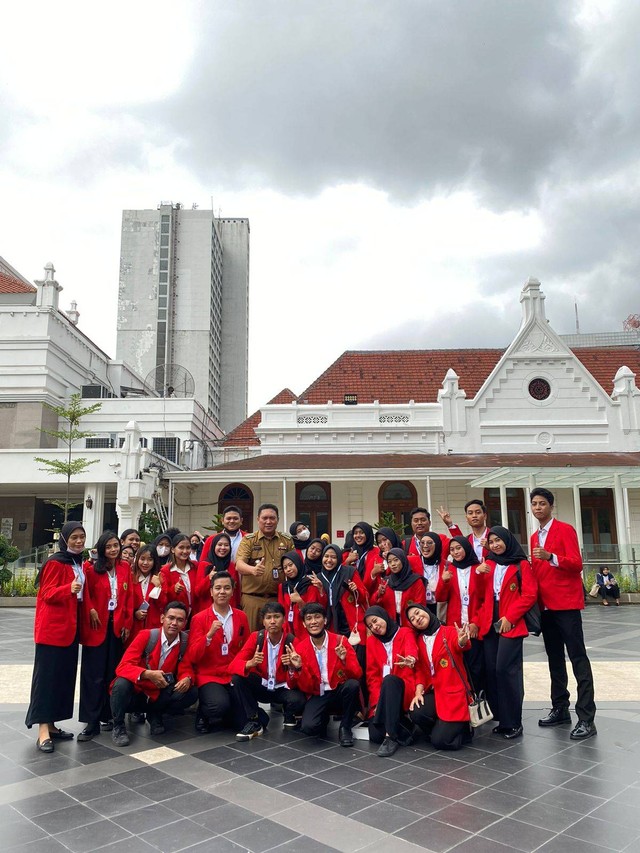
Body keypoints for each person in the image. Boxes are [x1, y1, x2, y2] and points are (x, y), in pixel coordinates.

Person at [530, 487, 597, 740]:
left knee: (578, 658)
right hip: (546, 607)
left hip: (566, 605)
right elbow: (538, 572)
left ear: (550, 506)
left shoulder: (565, 529)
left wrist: (551, 556)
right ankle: (560, 707)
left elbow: (576, 563)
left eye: (542, 503)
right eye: (534, 504)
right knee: (554, 659)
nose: (538, 507)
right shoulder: (535, 536)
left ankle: (587, 718)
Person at [25, 521, 87, 753]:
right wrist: (67, 589)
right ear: (64, 538)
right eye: (74, 537)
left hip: (70, 631)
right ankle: (42, 731)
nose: (79, 541)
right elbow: (47, 593)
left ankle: (52, 725)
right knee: (47, 681)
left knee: (62, 679)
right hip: (52, 632)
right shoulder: (55, 562)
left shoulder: (76, 562)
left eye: (82, 536)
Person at [110, 602, 197, 745]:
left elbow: (185, 667)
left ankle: (155, 713)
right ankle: (118, 725)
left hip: (160, 689)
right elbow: (122, 667)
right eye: (171, 618)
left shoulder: (184, 641)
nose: (174, 623)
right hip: (138, 688)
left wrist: (187, 678)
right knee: (120, 684)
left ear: (185, 623)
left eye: (180, 620)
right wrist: (147, 674)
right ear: (162, 618)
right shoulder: (146, 636)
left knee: (191, 691)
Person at [479, 527, 537, 739]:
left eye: (498, 540)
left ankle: (514, 722)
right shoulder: (490, 563)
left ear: (508, 541)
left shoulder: (521, 564)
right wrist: (478, 573)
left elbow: (530, 595)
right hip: (489, 621)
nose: (495, 545)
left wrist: (511, 618)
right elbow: (480, 593)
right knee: (493, 671)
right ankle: (503, 720)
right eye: (491, 541)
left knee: (506, 670)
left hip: (510, 621)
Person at [78, 531, 133, 741]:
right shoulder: (91, 569)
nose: (113, 550)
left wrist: (127, 621)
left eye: (116, 546)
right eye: (109, 546)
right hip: (97, 626)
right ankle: (91, 721)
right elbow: (86, 595)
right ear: (102, 549)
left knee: (112, 673)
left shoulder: (125, 567)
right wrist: (91, 609)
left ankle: (108, 715)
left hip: (117, 626)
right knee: (93, 676)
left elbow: (128, 598)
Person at [287, 602, 362, 746]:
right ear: (304, 624)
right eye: (309, 618)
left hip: (339, 690)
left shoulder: (340, 641)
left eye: (317, 617)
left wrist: (345, 659)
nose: (313, 622)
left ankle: (345, 728)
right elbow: (303, 687)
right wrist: (297, 668)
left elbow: (357, 674)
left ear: (325, 620)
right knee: (309, 727)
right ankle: (323, 717)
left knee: (352, 685)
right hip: (318, 693)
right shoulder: (300, 648)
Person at [229, 602, 306, 738]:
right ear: (263, 621)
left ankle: (289, 714)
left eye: (277, 617)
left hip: (282, 689)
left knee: (298, 698)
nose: (272, 621)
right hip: (263, 685)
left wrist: (293, 667)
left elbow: (304, 673)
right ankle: (254, 718)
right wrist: (250, 663)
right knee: (237, 678)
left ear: (283, 619)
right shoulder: (256, 637)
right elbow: (234, 665)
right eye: (268, 617)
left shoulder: (292, 640)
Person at [186, 570, 250, 733]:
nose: (222, 592)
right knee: (218, 706)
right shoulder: (199, 619)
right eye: (218, 588)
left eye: (227, 588)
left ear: (233, 591)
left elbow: (246, 649)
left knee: (246, 718)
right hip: (210, 674)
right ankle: (204, 713)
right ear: (211, 591)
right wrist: (208, 636)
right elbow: (193, 655)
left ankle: (230, 712)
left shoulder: (241, 616)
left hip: (232, 673)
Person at [406, 604, 472, 751]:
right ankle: (443, 728)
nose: (417, 618)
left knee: (440, 742)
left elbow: (460, 644)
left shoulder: (448, 631)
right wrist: (418, 692)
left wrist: (462, 640)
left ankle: (462, 731)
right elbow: (421, 671)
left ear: (427, 611)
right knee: (416, 711)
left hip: (453, 695)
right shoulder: (420, 640)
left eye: (418, 613)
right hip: (436, 693)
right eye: (413, 619)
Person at [364, 606, 418, 756]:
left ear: (384, 615)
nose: (375, 627)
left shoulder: (405, 632)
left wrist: (411, 659)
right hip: (384, 696)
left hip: (404, 688)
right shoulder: (371, 642)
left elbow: (411, 650)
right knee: (375, 735)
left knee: (390, 681)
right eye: (370, 626)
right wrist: (376, 704)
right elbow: (372, 676)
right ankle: (405, 730)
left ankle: (391, 737)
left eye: (375, 621)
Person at [436, 536, 487, 694]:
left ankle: (479, 701)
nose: (455, 552)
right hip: (456, 627)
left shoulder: (478, 568)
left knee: (476, 668)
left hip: (474, 627)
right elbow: (440, 598)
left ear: (466, 547)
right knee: (458, 666)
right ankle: (464, 701)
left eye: (459, 548)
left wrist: (476, 622)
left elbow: (484, 600)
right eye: (452, 550)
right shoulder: (449, 570)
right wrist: (443, 582)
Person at [236, 503, 294, 629]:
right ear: (258, 519)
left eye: (272, 518)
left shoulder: (286, 541)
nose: (268, 521)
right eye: (264, 518)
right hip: (253, 599)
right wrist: (252, 570)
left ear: (277, 520)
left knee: (276, 636)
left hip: (276, 599)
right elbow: (239, 565)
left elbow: (294, 565)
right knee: (252, 637)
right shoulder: (249, 540)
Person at [370, 548, 426, 626]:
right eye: (389, 562)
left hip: (412, 625)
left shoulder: (416, 581)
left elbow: (421, 606)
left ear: (403, 560)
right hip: (391, 626)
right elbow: (374, 605)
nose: (393, 564)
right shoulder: (386, 582)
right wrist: (378, 594)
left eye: (396, 560)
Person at [278, 550, 324, 640]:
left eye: (291, 565)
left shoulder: (310, 584)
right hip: (288, 632)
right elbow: (281, 610)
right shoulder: (283, 586)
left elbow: (313, 611)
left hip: (305, 631)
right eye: (285, 567)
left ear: (298, 563)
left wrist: (300, 602)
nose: (288, 569)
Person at [195, 531, 239, 612]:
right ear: (213, 546)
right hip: (208, 611)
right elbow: (198, 592)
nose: (223, 548)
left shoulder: (232, 566)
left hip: (229, 610)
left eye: (226, 545)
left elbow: (236, 592)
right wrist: (209, 578)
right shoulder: (204, 565)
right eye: (219, 545)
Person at [130, 545, 165, 643]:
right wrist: (134, 613)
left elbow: (163, 603)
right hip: (134, 628)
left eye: (150, 560)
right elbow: (125, 602)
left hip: (153, 626)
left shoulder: (160, 577)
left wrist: (158, 586)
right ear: (137, 560)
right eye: (142, 559)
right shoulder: (130, 577)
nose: (145, 563)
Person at [160, 533, 199, 619]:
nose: (185, 551)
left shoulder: (196, 566)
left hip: (195, 613)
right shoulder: (166, 571)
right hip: (177, 616)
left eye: (188, 548)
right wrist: (173, 590)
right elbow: (163, 598)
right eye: (181, 547)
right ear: (173, 549)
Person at [343, 522, 380, 588]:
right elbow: (339, 573)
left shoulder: (377, 552)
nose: (358, 535)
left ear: (368, 534)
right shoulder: (348, 553)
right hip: (352, 593)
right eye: (355, 533)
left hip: (372, 592)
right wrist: (347, 561)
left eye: (361, 532)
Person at [418, 532, 444, 615]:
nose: (425, 546)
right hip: (420, 609)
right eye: (422, 543)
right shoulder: (413, 562)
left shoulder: (446, 565)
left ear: (437, 545)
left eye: (429, 543)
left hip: (440, 610)